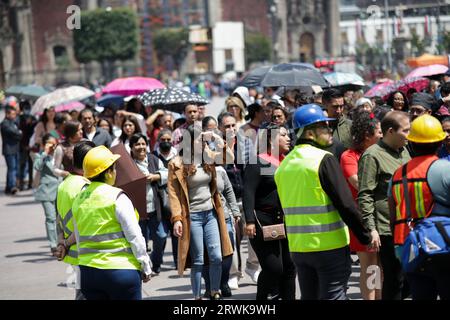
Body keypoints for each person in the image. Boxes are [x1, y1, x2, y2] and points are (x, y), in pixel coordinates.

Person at [275, 104, 373, 300]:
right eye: (324, 126)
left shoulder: (284, 165)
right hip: (329, 247)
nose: (330, 130)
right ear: (309, 133)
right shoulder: (323, 159)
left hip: (299, 248)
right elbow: (346, 204)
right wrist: (365, 236)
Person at [71, 145, 152, 300]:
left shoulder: (79, 199)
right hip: (121, 272)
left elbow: (79, 238)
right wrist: (145, 265)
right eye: (114, 169)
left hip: (89, 273)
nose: (115, 173)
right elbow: (134, 235)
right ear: (108, 172)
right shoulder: (117, 197)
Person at [167, 125, 233, 300]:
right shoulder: (176, 164)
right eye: (199, 139)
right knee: (198, 260)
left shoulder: (208, 157)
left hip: (211, 213)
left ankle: (215, 291)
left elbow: (229, 158)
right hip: (192, 217)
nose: (203, 142)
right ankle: (197, 297)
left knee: (217, 256)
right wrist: (177, 219)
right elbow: (173, 194)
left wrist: (217, 140)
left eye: (203, 140)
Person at [388, 114, 450, 300]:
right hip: (444, 246)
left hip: (409, 247)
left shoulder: (398, 174)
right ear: (440, 142)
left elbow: (393, 216)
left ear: (411, 144)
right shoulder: (445, 169)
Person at [358, 111, 412, 300]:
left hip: (408, 225)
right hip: (386, 228)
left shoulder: (404, 150)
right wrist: (371, 228)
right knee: (393, 279)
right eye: (406, 131)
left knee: (409, 278)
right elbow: (365, 194)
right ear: (390, 131)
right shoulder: (372, 156)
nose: (409, 134)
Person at [244, 123, 296, 300]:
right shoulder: (257, 161)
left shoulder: (288, 160)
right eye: (283, 135)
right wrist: (249, 221)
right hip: (263, 221)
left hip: (286, 220)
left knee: (290, 267)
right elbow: (248, 193)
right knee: (274, 268)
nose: (288, 138)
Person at [340, 111, 383, 300]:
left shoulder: (383, 152)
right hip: (363, 218)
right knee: (370, 266)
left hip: (382, 216)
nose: (382, 135)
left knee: (380, 266)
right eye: (379, 131)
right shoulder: (348, 156)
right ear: (367, 135)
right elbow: (358, 183)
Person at [55, 141, 95, 300]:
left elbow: (58, 217)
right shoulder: (86, 187)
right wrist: (65, 243)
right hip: (84, 252)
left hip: (73, 253)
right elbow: (82, 223)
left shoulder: (64, 184)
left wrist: (61, 242)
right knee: (85, 295)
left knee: (80, 293)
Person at [129, 133, 168, 275]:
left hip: (155, 207)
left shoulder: (154, 159)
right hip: (136, 210)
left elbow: (167, 173)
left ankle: (156, 262)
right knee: (140, 241)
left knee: (161, 236)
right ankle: (143, 268)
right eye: (137, 144)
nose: (140, 147)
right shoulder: (128, 163)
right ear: (131, 147)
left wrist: (154, 177)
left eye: (143, 144)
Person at [33, 133, 68, 255]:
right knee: (50, 218)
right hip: (46, 192)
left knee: (61, 218)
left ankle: (62, 242)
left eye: (54, 144)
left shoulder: (60, 154)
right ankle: (53, 244)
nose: (53, 146)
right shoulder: (40, 155)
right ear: (44, 144)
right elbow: (37, 166)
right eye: (49, 144)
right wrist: (45, 152)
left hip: (60, 191)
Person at [1, 106, 22, 195]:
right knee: (12, 169)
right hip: (9, 150)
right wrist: (19, 133)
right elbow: (14, 133)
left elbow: (18, 134)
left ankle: (9, 187)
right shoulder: (5, 124)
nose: (14, 116)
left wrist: (19, 133)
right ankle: (12, 187)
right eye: (13, 114)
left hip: (15, 149)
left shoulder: (13, 122)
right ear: (7, 114)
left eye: (15, 114)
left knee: (14, 168)